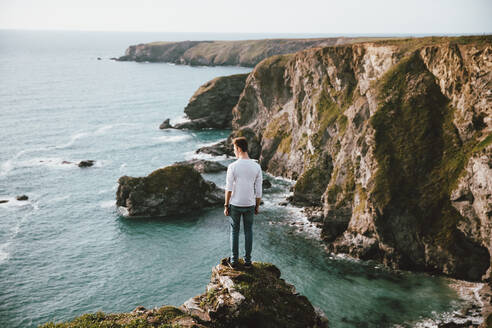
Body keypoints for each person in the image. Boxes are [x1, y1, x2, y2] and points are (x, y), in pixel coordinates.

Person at [224, 137, 262, 268]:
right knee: (248, 231)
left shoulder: (232, 166)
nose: (234, 151)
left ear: (239, 149)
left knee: (234, 231)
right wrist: (257, 206)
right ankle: (247, 262)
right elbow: (259, 190)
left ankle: (234, 261)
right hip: (250, 204)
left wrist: (226, 205)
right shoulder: (256, 166)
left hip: (235, 204)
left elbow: (228, 188)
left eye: (234, 149)